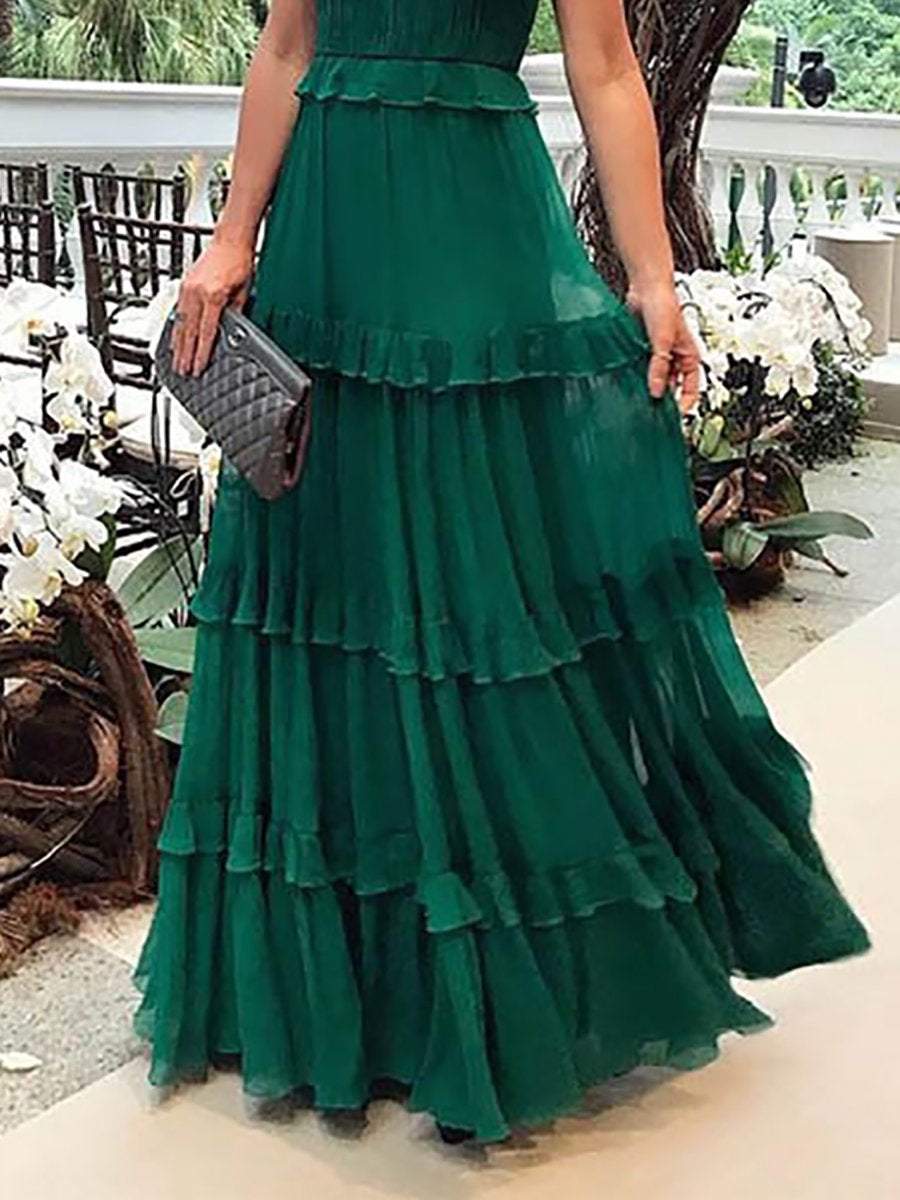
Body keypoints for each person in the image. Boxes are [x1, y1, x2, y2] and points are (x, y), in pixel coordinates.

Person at [132, 0, 870, 1147]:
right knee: (332, 576)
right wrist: (234, 236)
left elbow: (607, 67)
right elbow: (287, 45)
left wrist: (653, 275)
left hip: (466, 219)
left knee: (466, 593)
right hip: (326, 233)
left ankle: (488, 1003)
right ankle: (340, 991)